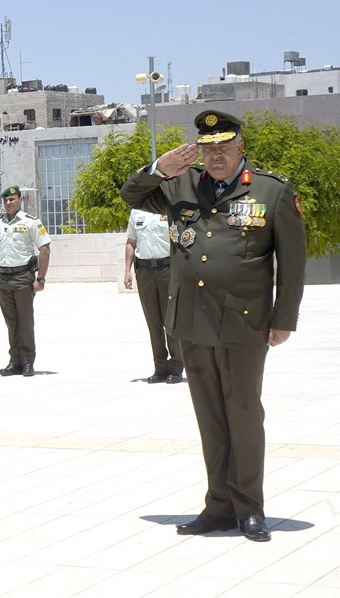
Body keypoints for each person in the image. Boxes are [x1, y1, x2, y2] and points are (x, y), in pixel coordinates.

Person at [120, 110, 306, 542]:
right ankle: (218, 506)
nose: (215, 154)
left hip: (244, 321)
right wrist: (158, 169)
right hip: (192, 320)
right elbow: (131, 195)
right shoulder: (180, 186)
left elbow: (292, 263)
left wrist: (284, 319)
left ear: (240, 146)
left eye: (223, 145)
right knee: (209, 417)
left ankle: (250, 508)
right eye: (207, 147)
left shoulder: (270, 190)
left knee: (242, 413)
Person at [0, 185, 51, 377]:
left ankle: (28, 361)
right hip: (3, 278)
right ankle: (15, 361)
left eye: (12, 199)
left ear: (20, 200)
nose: (8, 203)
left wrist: (41, 279)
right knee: (11, 323)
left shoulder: (31, 222)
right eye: (5, 200)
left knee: (25, 322)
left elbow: (44, 249)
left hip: (23, 277)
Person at [123, 208, 183, 383]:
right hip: (144, 271)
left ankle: (176, 367)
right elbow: (131, 242)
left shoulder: (170, 207)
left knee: (169, 320)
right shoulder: (136, 212)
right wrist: (127, 270)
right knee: (153, 322)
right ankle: (160, 367)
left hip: (167, 269)